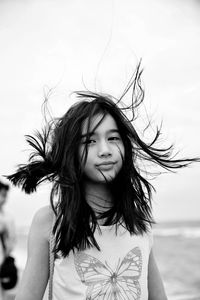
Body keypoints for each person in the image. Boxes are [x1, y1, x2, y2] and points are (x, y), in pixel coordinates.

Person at [6, 63, 198, 300]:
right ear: (71, 152)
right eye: (89, 141)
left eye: (113, 137)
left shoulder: (139, 222)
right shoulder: (51, 220)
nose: (105, 150)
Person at [0, 181, 16, 299]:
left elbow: (12, 241)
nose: (4, 198)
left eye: (5, 195)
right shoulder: (6, 218)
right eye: (2, 194)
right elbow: (12, 240)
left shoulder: (7, 217)